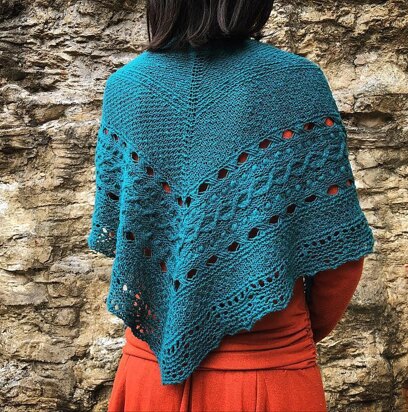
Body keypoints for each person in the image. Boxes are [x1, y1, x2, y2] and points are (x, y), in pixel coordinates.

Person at [87, 1, 375, 411]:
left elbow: (127, 239)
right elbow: (338, 252)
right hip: (268, 378)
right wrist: (282, 328)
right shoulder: (296, 84)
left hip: (148, 379)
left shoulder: (124, 89)